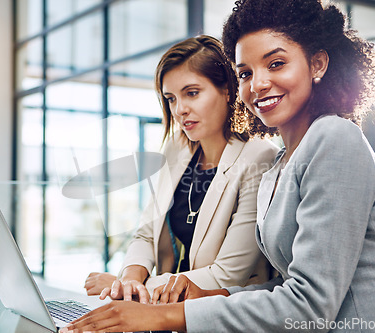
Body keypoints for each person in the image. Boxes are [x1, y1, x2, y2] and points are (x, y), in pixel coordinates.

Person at [61, 0, 375, 332]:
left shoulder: (334, 137)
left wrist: (163, 314)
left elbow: (311, 304)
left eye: (276, 63)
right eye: (245, 73)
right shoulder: (282, 161)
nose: (258, 84)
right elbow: (287, 285)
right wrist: (213, 297)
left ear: (318, 64)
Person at [84, 35, 279, 304]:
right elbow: (146, 232)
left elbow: (228, 276)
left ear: (227, 90)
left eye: (192, 93)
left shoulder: (260, 157)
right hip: (165, 313)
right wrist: (128, 279)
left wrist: (138, 287)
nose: (179, 110)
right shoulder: (177, 147)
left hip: (220, 315)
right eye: (171, 99)